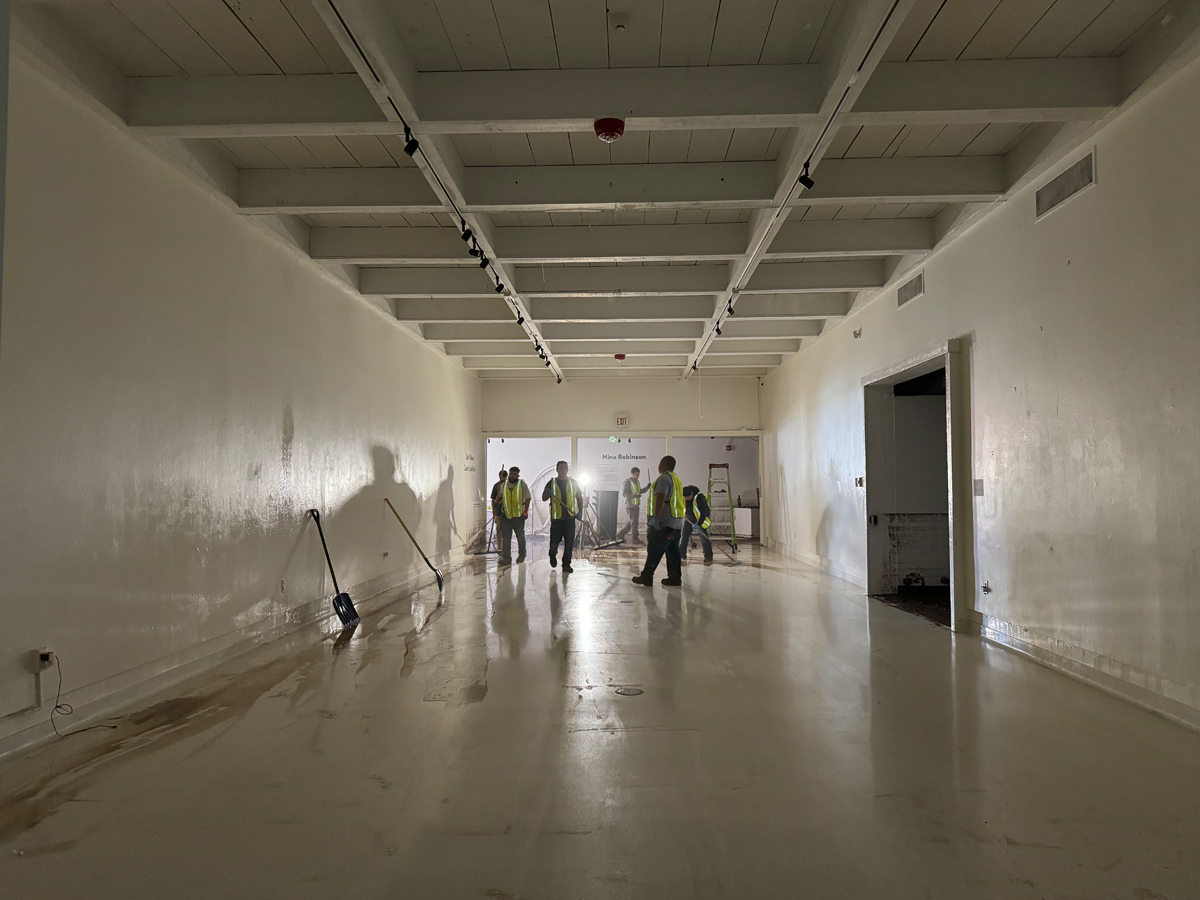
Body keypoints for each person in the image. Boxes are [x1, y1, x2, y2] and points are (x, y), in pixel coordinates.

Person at [632, 456, 685, 587]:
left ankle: (646, 576)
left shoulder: (663, 479)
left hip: (663, 523)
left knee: (655, 549)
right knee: (673, 551)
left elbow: (661, 498)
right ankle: (674, 578)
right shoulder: (676, 480)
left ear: (663, 464)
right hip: (676, 524)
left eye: (660, 463)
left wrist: (656, 518)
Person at [542, 460, 583, 572]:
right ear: (557, 469)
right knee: (554, 541)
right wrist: (547, 493)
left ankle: (566, 564)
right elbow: (544, 498)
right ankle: (552, 554)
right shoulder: (551, 483)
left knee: (569, 542)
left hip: (570, 518)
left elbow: (579, 497)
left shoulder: (573, 482)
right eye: (561, 468)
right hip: (557, 519)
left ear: (567, 469)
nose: (563, 470)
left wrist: (580, 511)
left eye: (565, 468)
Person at [497, 466, 530, 565]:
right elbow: (500, 496)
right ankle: (506, 558)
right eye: (511, 474)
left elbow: (528, 498)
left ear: (518, 475)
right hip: (506, 516)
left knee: (520, 536)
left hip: (518, 516)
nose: (512, 476)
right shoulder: (504, 484)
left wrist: (525, 511)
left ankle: (522, 554)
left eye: (514, 474)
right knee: (506, 538)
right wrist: (497, 500)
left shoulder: (522, 485)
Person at [681, 485, 714, 565]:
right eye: (686, 498)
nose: (687, 499)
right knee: (684, 535)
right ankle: (681, 554)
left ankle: (708, 555)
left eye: (688, 497)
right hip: (689, 518)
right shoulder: (682, 497)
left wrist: (698, 524)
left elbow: (704, 512)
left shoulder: (699, 497)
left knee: (703, 536)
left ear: (692, 493)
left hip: (700, 518)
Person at [615, 466, 643, 544]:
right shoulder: (628, 482)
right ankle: (634, 538)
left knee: (633, 521)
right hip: (630, 505)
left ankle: (621, 533)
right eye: (636, 474)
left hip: (636, 504)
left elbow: (639, 491)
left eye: (638, 474)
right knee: (634, 521)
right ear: (632, 474)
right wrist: (633, 496)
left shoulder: (637, 482)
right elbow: (625, 493)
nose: (637, 476)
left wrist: (647, 488)